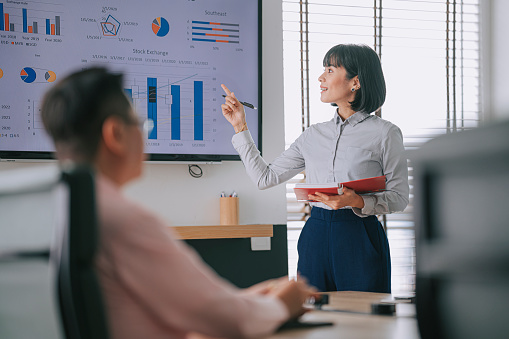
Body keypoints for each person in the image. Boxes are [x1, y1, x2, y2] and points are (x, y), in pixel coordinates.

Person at [40, 67, 316, 339]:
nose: (144, 135)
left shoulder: (60, 209)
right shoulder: (125, 221)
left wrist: (244, 300)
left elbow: (193, 306)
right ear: (116, 134)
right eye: (140, 124)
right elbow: (227, 320)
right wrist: (283, 303)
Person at [221, 44, 409, 293]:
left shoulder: (386, 133)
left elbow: (399, 198)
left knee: (363, 322)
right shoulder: (313, 135)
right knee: (314, 319)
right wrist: (240, 127)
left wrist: (358, 202)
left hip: (360, 236)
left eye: (330, 70)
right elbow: (264, 178)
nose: (321, 78)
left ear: (355, 82)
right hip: (315, 235)